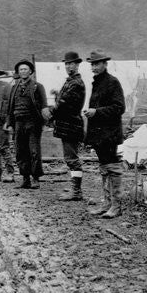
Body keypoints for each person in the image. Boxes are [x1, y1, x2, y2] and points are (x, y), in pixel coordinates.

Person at [84, 50, 127, 218]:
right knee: (103, 167)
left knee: (112, 167)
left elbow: (119, 108)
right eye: (92, 64)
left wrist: (97, 112)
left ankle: (116, 206)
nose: (94, 67)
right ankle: (107, 203)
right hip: (98, 134)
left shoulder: (112, 82)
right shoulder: (97, 83)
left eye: (97, 64)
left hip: (109, 133)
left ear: (105, 64)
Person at [45, 52, 88, 202]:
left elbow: (64, 104)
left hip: (71, 125)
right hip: (68, 124)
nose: (69, 66)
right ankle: (75, 189)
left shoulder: (75, 83)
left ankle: (76, 191)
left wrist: (50, 113)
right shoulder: (71, 81)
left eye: (72, 63)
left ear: (77, 65)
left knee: (72, 158)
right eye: (67, 64)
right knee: (70, 157)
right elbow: (64, 99)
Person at [7, 59, 47, 189]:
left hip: (33, 123)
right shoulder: (14, 88)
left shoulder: (37, 86)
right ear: (18, 72)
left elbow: (44, 105)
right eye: (21, 69)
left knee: (34, 151)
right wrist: (9, 123)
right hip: (19, 123)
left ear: (30, 71)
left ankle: (35, 178)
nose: (23, 71)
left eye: (25, 69)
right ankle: (25, 179)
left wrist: (43, 120)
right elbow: (10, 107)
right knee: (20, 151)